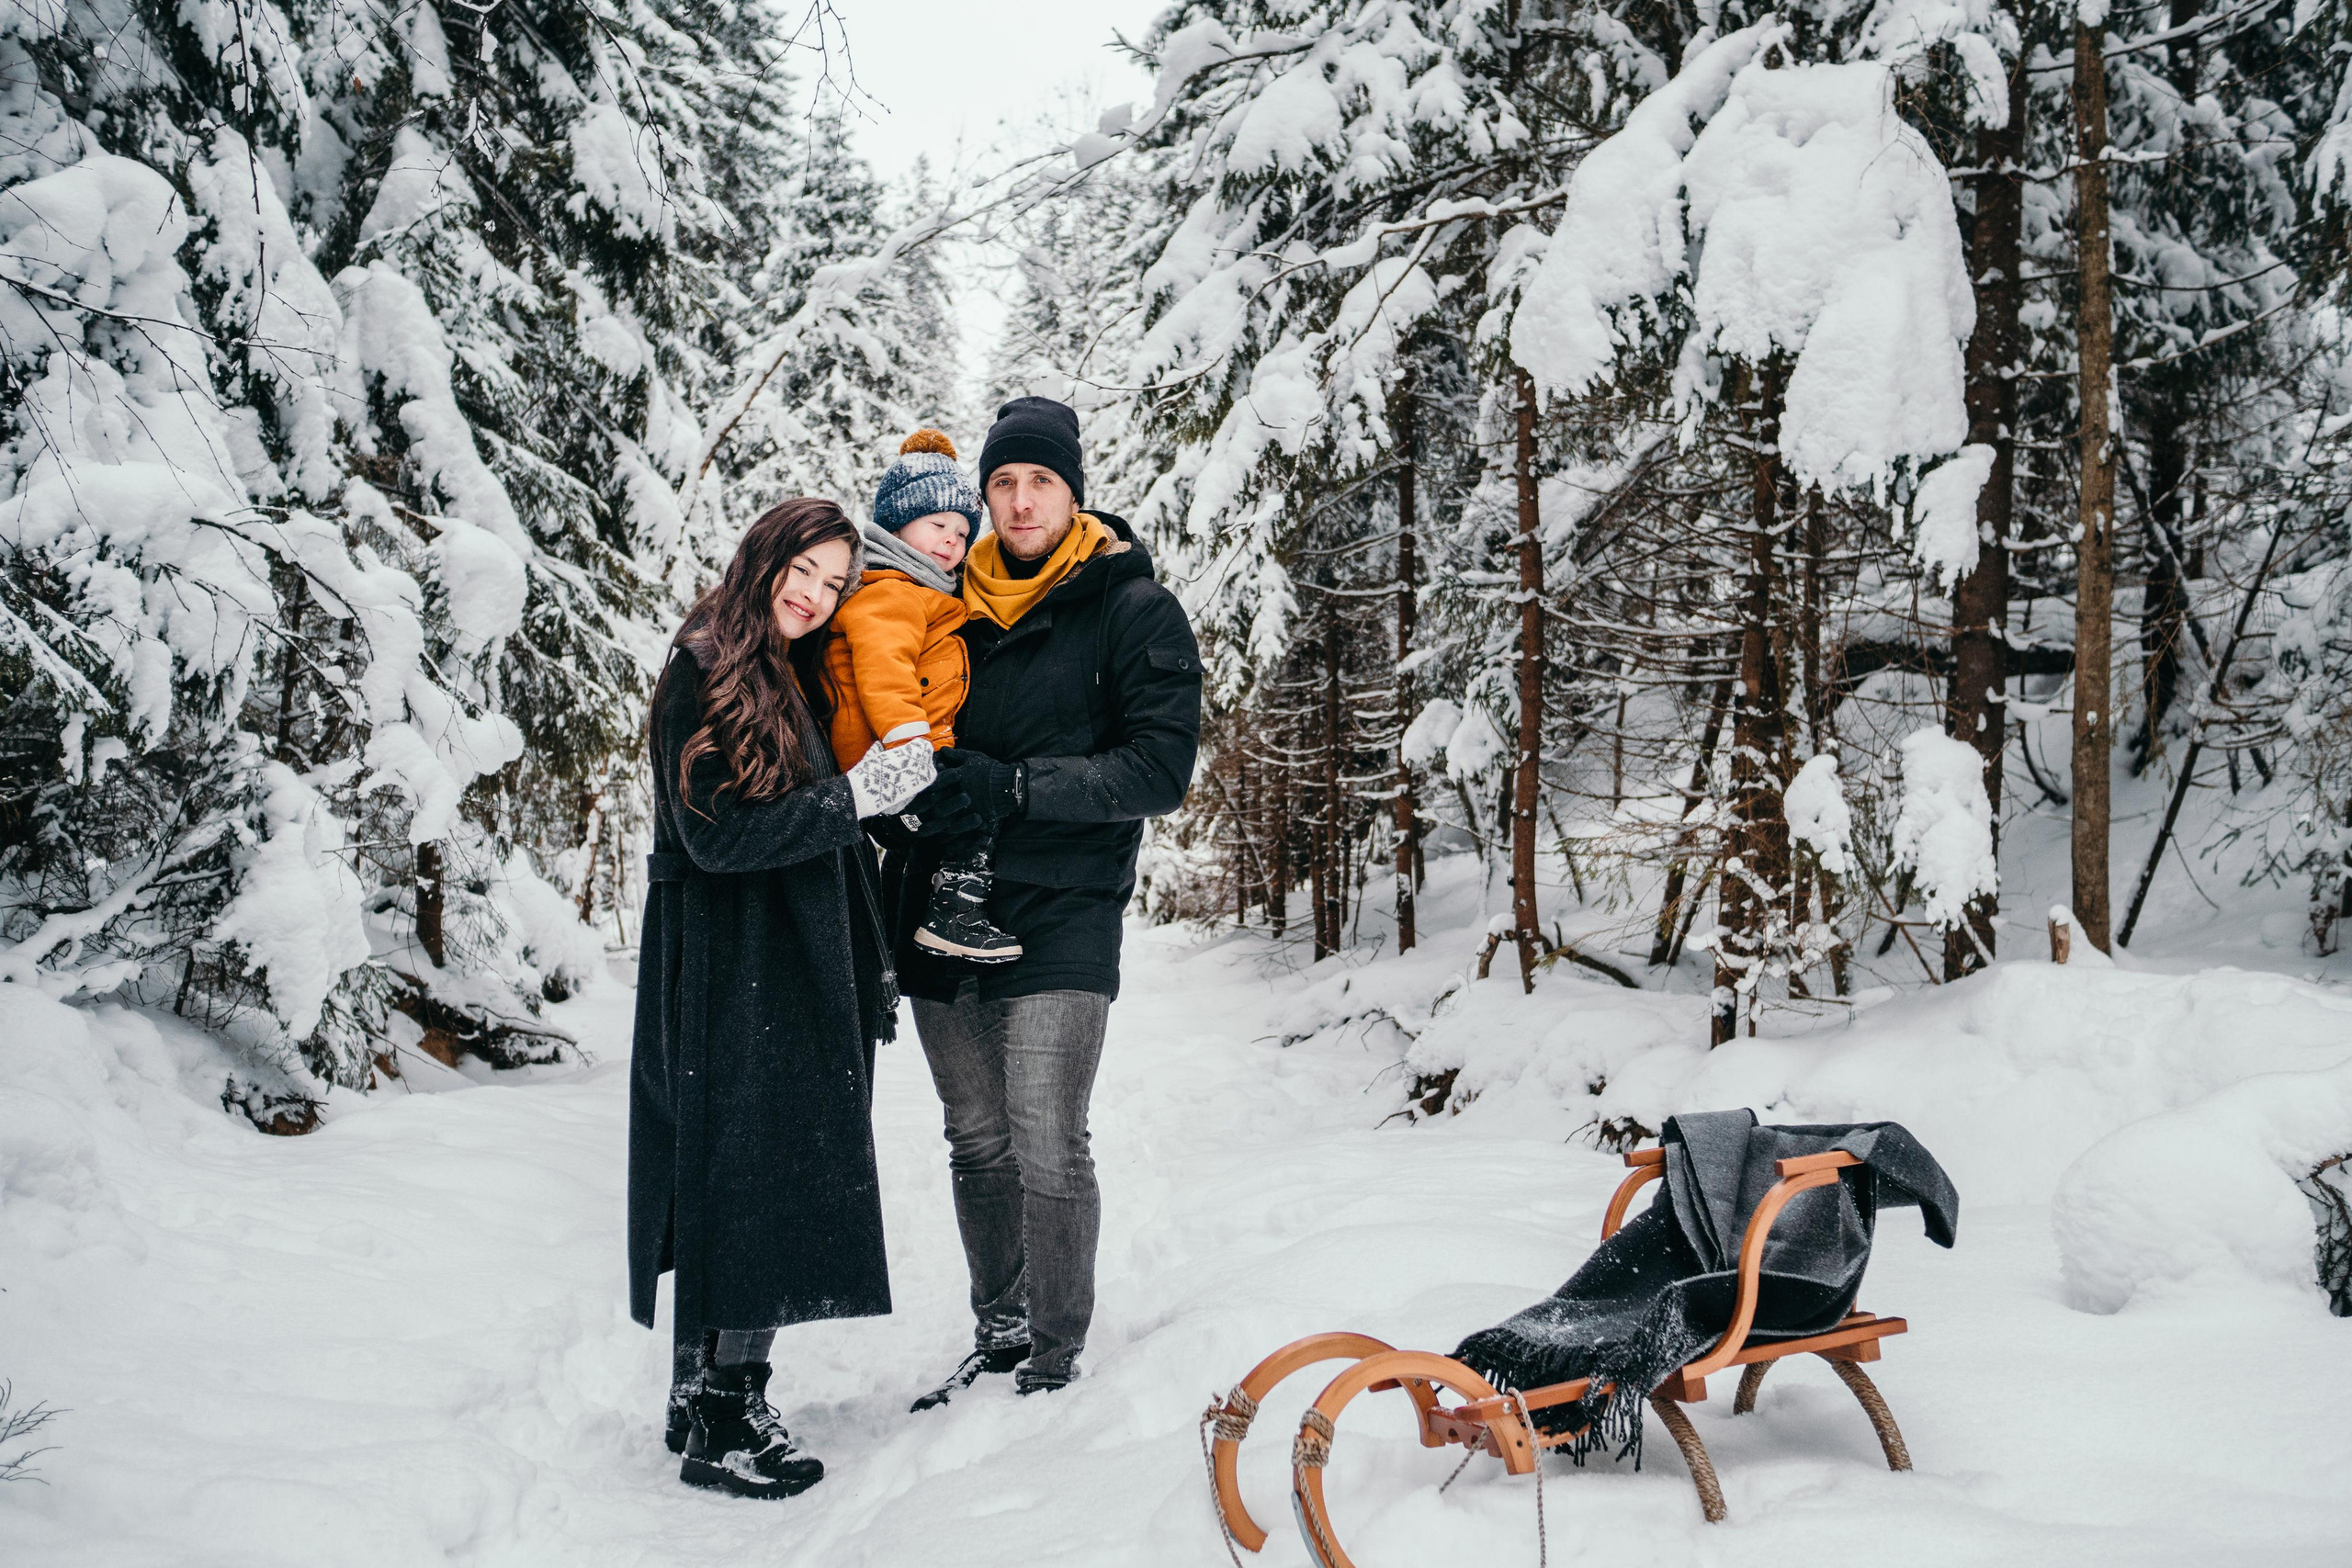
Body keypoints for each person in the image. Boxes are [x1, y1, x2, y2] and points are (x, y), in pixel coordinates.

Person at [887, 396, 1204, 1406]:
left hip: (1067, 902)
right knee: (975, 1133)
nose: (1020, 501)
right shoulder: (938, 601)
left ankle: (1057, 1353)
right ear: (981, 498)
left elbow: (1158, 769)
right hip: (942, 896)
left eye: (1041, 482)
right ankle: (1002, 1326)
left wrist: (1020, 786)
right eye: (1002, 485)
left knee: (1043, 1127)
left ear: (1074, 492)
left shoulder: (1130, 607)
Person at [627, 497, 936, 1499]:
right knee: (759, 1176)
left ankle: (696, 1394)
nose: (813, 594)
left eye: (832, 582)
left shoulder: (767, 666)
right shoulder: (706, 666)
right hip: (736, 965)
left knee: (742, 1172)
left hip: (771, 958)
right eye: (801, 570)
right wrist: (859, 796)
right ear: (762, 560)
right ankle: (725, 1414)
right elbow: (716, 836)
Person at [822, 429, 1022, 963]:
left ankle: (938, 912)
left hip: (903, 746)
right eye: (938, 525)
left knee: (971, 797)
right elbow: (883, 668)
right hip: (886, 750)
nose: (952, 542)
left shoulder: (921, 592)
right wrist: (910, 742)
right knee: (977, 800)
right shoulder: (890, 592)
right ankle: (953, 914)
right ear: (897, 523)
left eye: (962, 532)